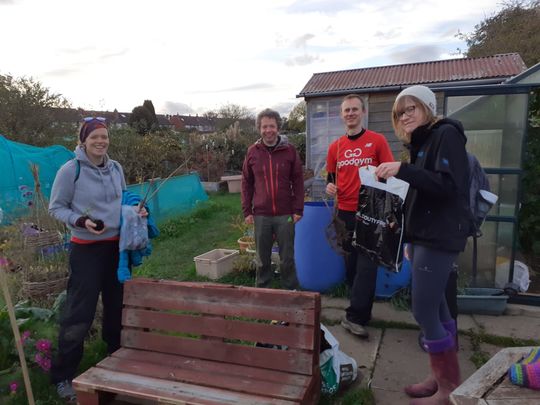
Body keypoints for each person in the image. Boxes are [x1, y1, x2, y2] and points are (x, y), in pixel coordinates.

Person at [376, 85, 469, 404]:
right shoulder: (423, 143)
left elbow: (447, 187)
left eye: (412, 108)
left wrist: (404, 169)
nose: (405, 116)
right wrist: (409, 237)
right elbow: (421, 194)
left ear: (428, 107)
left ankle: (449, 388)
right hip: (424, 237)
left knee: (423, 308)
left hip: (440, 236)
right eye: (400, 112)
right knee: (440, 308)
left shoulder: (447, 134)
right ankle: (440, 377)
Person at [49, 117, 145, 401]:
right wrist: (80, 220)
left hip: (117, 249)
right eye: (95, 138)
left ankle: (115, 362)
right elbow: (56, 208)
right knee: (80, 312)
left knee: (117, 308)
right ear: (83, 141)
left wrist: (137, 210)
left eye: (104, 137)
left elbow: (125, 199)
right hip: (86, 250)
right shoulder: (71, 170)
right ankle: (64, 376)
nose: (101, 142)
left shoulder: (116, 168)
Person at [326, 94, 394, 339]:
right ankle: (361, 312)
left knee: (367, 266)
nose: (350, 113)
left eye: (355, 109)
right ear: (341, 115)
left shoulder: (377, 141)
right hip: (344, 213)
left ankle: (354, 316)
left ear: (363, 112)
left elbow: (388, 173)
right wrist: (330, 187)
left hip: (370, 213)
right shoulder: (336, 147)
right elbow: (331, 178)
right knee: (352, 265)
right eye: (346, 110)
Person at [241, 108, 304, 290]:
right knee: (262, 260)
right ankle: (264, 296)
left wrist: (298, 209)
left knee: (287, 259)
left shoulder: (289, 151)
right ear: (259, 129)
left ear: (278, 127)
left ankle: (291, 294)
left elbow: (298, 181)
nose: (268, 130)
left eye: (272, 126)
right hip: (261, 215)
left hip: (285, 214)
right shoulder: (253, 152)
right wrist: (247, 210)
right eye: (264, 126)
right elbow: (246, 182)